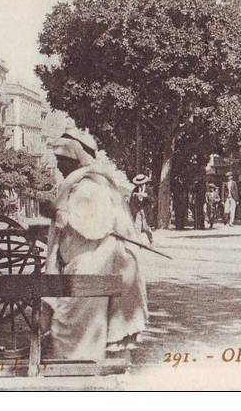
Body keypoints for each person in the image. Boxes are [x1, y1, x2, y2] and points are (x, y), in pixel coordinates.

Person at [43, 128, 148, 361]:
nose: (59, 166)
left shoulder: (91, 185)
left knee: (74, 315)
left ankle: (77, 364)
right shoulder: (80, 183)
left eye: (62, 161)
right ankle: (77, 362)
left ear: (76, 159)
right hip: (85, 258)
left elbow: (94, 225)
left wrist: (57, 213)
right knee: (73, 315)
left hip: (96, 259)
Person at [130, 174, 155, 245]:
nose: (139, 185)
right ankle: (139, 243)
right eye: (138, 184)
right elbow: (131, 201)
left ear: (144, 183)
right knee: (137, 228)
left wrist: (146, 196)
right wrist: (134, 197)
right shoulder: (135, 190)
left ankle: (151, 241)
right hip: (137, 211)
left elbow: (153, 199)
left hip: (146, 211)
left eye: (141, 183)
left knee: (146, 228)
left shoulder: (149, 190)